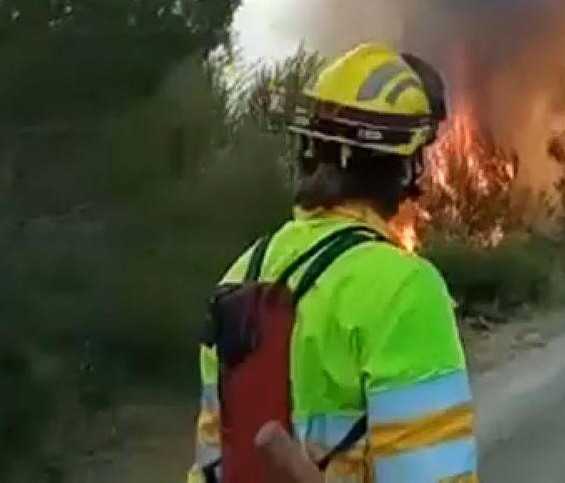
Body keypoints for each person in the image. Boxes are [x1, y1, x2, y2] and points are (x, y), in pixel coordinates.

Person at [189, 43, 478, 483]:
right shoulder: (403, 289)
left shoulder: (243, 272)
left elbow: (212, 462)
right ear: (406, 166)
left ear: (308, 151)